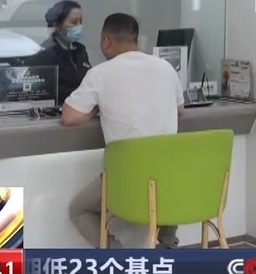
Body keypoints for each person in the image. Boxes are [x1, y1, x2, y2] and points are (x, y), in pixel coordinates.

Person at [62, 13, 184, 248]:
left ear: (106, 41)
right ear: (136, 40)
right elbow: (180, 109)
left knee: (79, 209)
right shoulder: (165, 67)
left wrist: (96, 109)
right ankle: (169, 247)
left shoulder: (100, 74)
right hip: (167, 178)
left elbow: (69, 116)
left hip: (127, 180)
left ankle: (115, 254)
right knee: (164, 185)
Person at [27, 0, 92, 104]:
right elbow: (40, 91)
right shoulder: (45, 54)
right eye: (74, 22)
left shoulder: (80, 50)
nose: (79, 26)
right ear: (58, 25)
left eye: (80, 21)